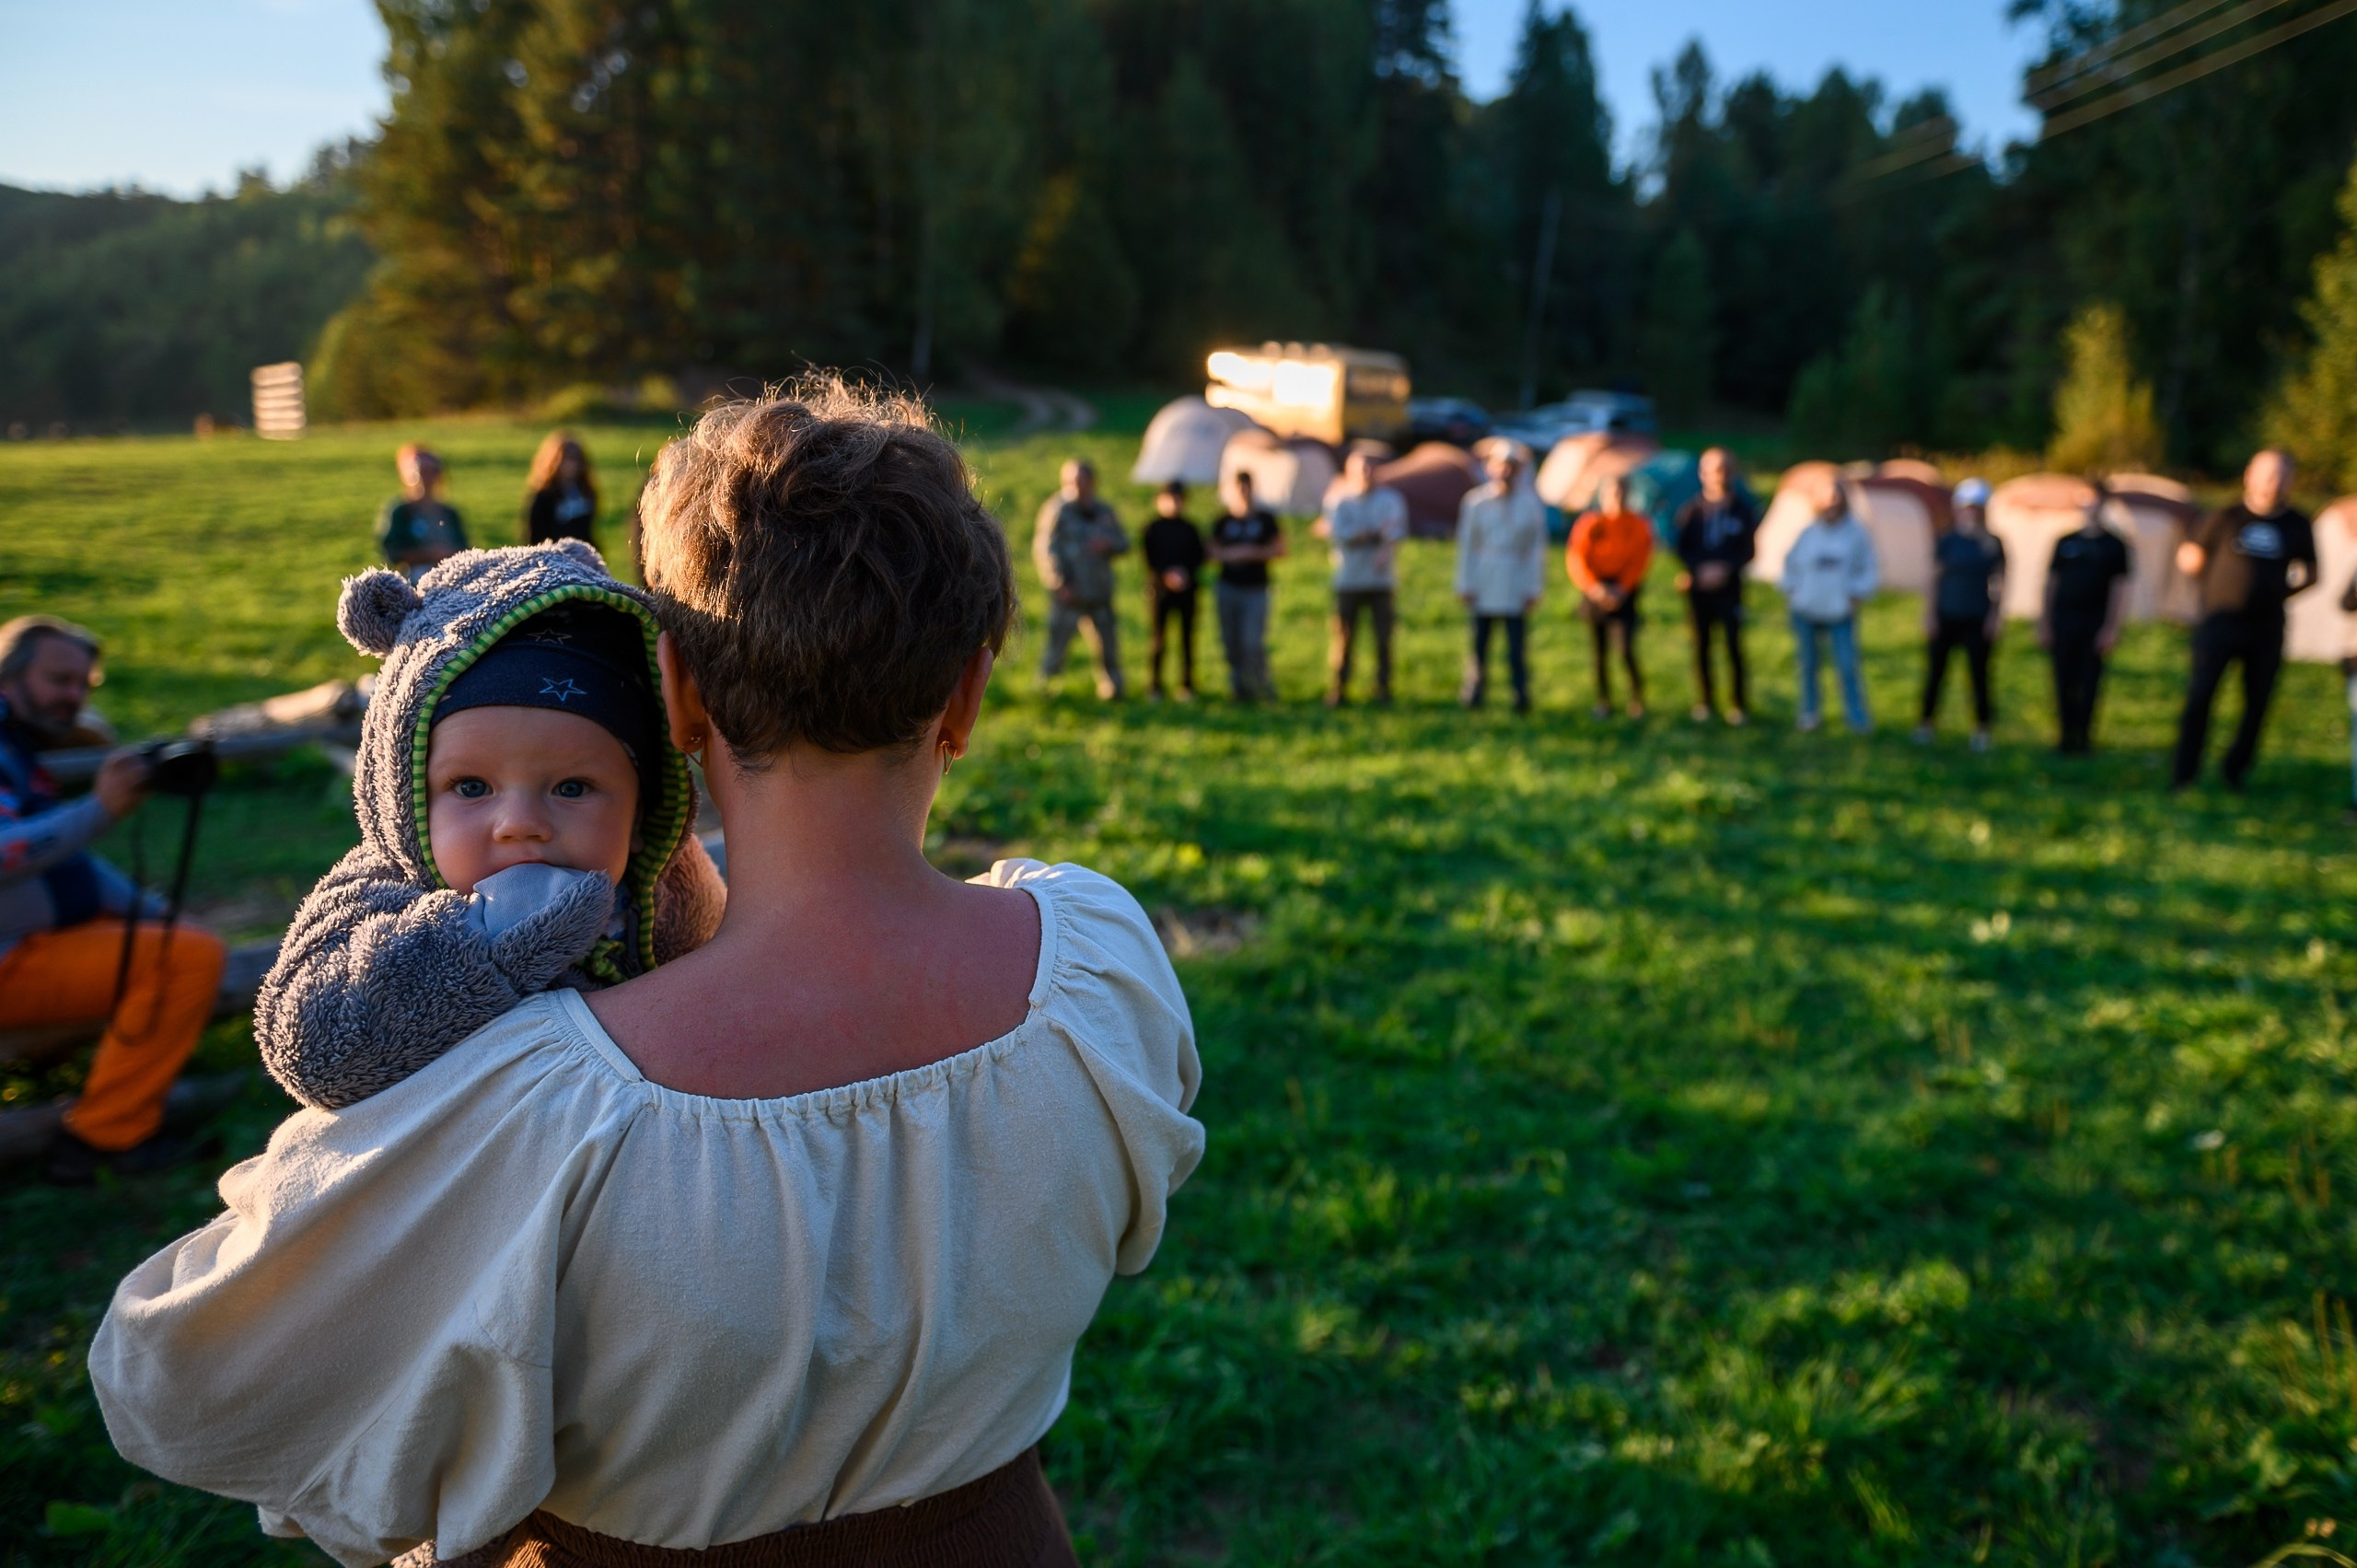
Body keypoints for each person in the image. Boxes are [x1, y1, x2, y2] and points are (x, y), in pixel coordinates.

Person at [91, 380, 1204, 1566]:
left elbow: (169, 1383)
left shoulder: (543, 1101)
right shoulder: (1098, 962)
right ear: (968, 695)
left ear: (675, 693)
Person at [255, 541, 726, 1110]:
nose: (520, 825)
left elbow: (728, 997)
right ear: (405, 798)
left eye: (571, 788)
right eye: (472, 788)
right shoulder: (377, 894)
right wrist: (484, 944)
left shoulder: (670, 892)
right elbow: (313, 1049)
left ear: (642, 816)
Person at [0, 616, 226, 1182]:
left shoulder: (18, 747)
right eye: (59, 680)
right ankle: (104, 1135)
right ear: (10, 675)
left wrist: (158, 915)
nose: (72, 697)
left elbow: (68, 865)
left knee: (183, 942)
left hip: (32, 938)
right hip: (10, 957)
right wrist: (98, 809)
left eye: (82, 685)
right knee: (188, 958)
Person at [2170, 447, 2317, 791]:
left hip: (2266, 628)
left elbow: (2312, 573)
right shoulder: (2225, 516)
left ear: (2291, 479)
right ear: (2249, 475)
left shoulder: (2297, 523)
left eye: (2281, 474)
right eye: (2266, 474)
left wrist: (2278, 594)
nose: (2273, 482)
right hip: (2219, 625)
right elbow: (2190, 557)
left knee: (2257, 704)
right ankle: (2184, 775)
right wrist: (2214, 591)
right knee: (2200, 696)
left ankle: (2235, 770)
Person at [2039, 482, 2133, 755]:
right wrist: (2045, 621)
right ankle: (2064, 737)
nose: (2089, 505)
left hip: (2094, 621)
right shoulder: (2065, 540)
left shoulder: (2115, 545)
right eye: (2084, 499)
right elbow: (2051, 582)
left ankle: (2084, 739)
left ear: (2104, 503)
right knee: (2062, 680)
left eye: (2095, 499)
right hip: (2063, 619)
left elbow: (2120, 588)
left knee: (2089, 681)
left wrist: (2111, 628)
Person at [1781, 474, 1879, 734]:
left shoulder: (1856, 533)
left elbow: (1869, 569)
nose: (1831, 502)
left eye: (1836, 495)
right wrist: (1793, 592)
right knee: (1808, 666)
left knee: (1847, 666)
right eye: (1826, 496)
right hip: (1807, 609)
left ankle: (1856, 717)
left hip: (1840, 611)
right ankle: (1810, 713)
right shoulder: (1808, 532)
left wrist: (1856, 595)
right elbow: (1790, 564)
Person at [1455, 442, 1548, 714]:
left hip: (1515, 578)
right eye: (1501, 466)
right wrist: (1465, 583)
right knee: (1479, 641)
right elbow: (1467, 546)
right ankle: (1474, 690)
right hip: (1484, 576)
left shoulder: (1529, 504)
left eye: (1512, 467)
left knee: (1516, 644)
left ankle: (1520, 693)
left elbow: (1535, 551)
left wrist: (1533, 587)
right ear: (1490, 468)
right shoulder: (1475, 502)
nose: (1505, 472)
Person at [1916, 477, 2007, 751]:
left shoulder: (1992, 543)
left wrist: (1996, 617)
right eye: (1966, 506)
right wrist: (1929, 614)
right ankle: (1926, 723)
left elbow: (2001, 583)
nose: (1970, 512)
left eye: (1975, 507)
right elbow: (1933, 578)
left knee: (1979, 676)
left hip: (1977, 617)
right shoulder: (1948, 540)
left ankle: (1981, 728)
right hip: (1946, 615)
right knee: (1935, 673)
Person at [1672, 447, 1759, 725]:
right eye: (1711, 470)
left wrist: (1725, 568)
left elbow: (1749, 550)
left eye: (1723, 469)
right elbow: (1681, 547)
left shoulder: (1743, 511)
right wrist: (1697, 570)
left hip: (1729, 589)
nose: (1717, 476)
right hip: (1698, 589)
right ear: (1702, 474)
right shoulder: (1691, 511)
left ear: (1731, 473)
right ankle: (1705, 701)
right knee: (1701, 646)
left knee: (1733, 646)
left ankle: (1738, 704)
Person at [1032, 459, 1130, 700]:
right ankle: (1046, 690)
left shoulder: (1103, 512)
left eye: (1080, 481)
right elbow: (1045, 550)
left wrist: (1109, 544)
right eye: (1070, 481)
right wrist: (1058, 583)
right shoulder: (1057, 510)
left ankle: (1114, 691)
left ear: (1092, 482)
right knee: (1057, 646)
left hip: (1098, 593)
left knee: (1108, 647)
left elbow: (1124, 543)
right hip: (1070, 594)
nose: (1074, 486)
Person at [1318, 449, 1409, 706]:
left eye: (1370, 468)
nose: (1365, 474)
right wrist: (1373, 535)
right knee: (1344, 637)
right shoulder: (1339, 501)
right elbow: (1339, 532)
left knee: (1383, 638)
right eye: (1360, 469)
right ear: (1349, 472)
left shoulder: (1390, 500)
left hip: (1381, 581)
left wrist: (1370, 537)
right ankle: (1339, 688)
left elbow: (1395, 531)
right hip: (1349, 580)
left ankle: (1383, 689)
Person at [1565, 472, 1654, 718]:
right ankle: (1603, 701)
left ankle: (1637, 698)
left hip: (1624, 593)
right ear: (1602, 496)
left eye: (1622, 493)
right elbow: (1577, 558)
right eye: (1612, 493)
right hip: (1596, 591)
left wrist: (1623, 588)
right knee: (1598, 651)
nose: (1617, 498)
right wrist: (1594, 587)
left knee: (1625, 648)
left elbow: (1640, 558)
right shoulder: (1591, 523)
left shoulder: (1637, 525)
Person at [1209, 469, 1287, 702]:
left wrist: (1251, 552)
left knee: (1252, 641)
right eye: (1238, 486)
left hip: (1255, 589)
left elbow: (1280, 549)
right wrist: (1233, 554)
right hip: (1228, 587)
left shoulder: (1265, 520)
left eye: (1246, 485)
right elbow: (1211, 551)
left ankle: (1261, 686)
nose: (1243, 491)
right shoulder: (1222, 521)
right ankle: (1239, 688)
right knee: (1231, 641)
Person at [1142, 481, 1207, 701]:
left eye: (1178, 499)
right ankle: (1155, 685)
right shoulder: (1152, 528)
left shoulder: (1190, 529)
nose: (1173, 504)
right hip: (1159, 592)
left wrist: (1185, 574)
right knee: (1159, 639)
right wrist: (1166, 576)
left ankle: (1187, 685)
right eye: (1169, 499)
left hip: (1187, 592)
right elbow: (1149, 559)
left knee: (1187, 639)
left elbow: (1199, 557)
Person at [377, 444, 470, 581]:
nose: (426, 477)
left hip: (452, 576)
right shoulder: (402, 511)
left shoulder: (449, 512)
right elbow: (392, 551)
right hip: (414, 578)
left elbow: (464, 548)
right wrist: (428, 554)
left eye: (432, 470)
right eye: (421, 470)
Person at [522, 430, 599, 547]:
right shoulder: (544, 496)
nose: (571, 465)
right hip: (552, 557)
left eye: (575, 459)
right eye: (566, 459)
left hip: (582, 555)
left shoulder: (587, 492)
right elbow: (535, 535)